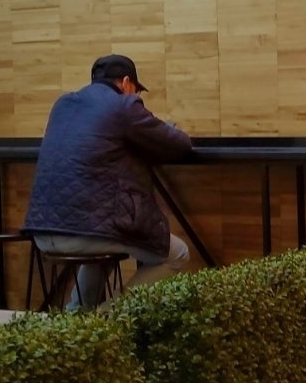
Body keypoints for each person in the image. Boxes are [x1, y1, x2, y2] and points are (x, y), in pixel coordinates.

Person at [24, 54, 195, 309]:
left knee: (98, 237)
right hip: (85, 232)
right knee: (177, 254)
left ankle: (77, 318)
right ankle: (109, 318)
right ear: (127, 83)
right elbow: (179, 144)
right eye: (137, 91)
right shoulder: (123, 106)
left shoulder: (62, 104)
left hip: (41, 230)